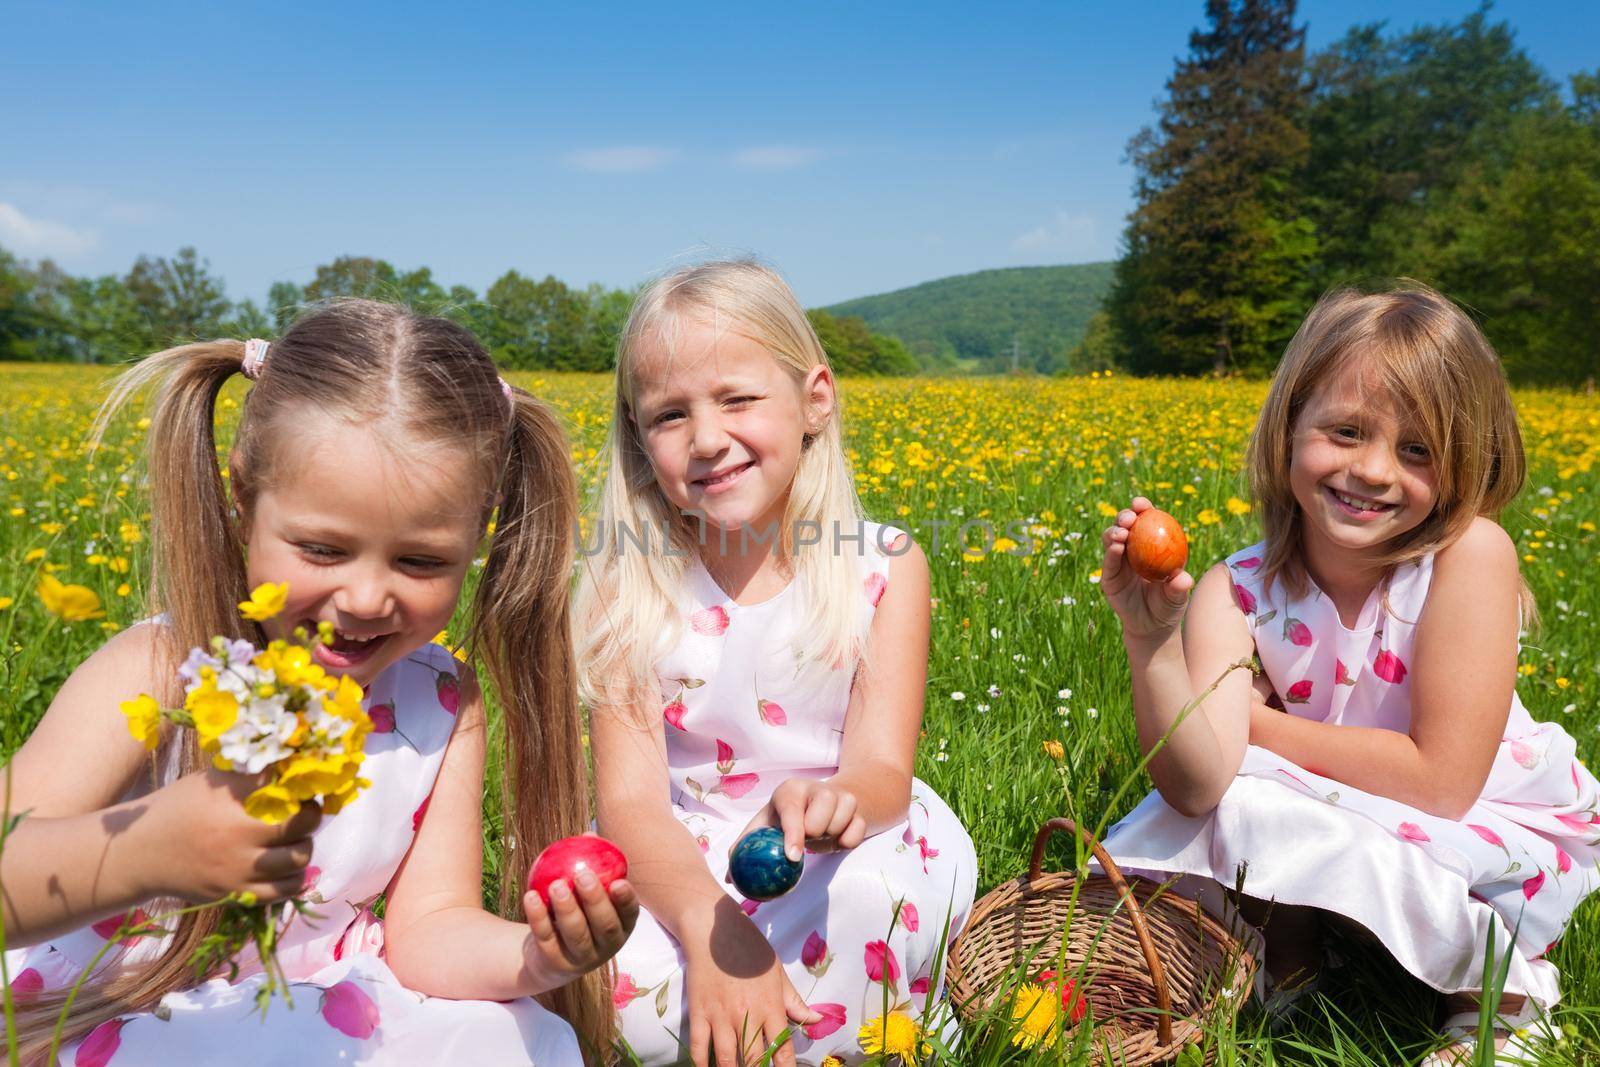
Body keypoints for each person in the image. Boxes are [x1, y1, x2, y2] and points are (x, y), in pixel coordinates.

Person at [2, 301, 635, 1064]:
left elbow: (430, 928)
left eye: (422, 561)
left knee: (515, 1036)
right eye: (323, 550)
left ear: (478, 537)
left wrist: (537, 960)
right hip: (128, 1013)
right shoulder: (163, 670)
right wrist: (147, 852)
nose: (367, 599)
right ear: (244, 501)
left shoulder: (440, 699)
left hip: (326, 1012)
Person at [1098, 284, 1598, 1065]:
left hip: (1472, 821)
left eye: (1418, 450)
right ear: (1290, 424)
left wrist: (1256, 728)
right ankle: (1295, 951)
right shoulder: (1238, 588)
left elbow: (1441, 784)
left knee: (1269, 776)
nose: (1372, 470)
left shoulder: (1468, 556)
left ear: (1463, 463)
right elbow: (1195, 784)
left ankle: (1493, 1000)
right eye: (1346, 431)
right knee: (1233, 799)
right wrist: (1151, 637)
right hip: (1346, 794)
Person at [575, 260, 976, 1066]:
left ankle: (864, 1031)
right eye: (670, 415)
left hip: (845, 840)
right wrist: (710, 925)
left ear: (813, 401)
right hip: (677, 854)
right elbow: (628, 801)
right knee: (632, 1004)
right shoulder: (626, 584)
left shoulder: (883, 565)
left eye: (738, 399)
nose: (708, 438)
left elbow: (883, 769)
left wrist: (830, 802)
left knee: (872, 908)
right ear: (636, 434)